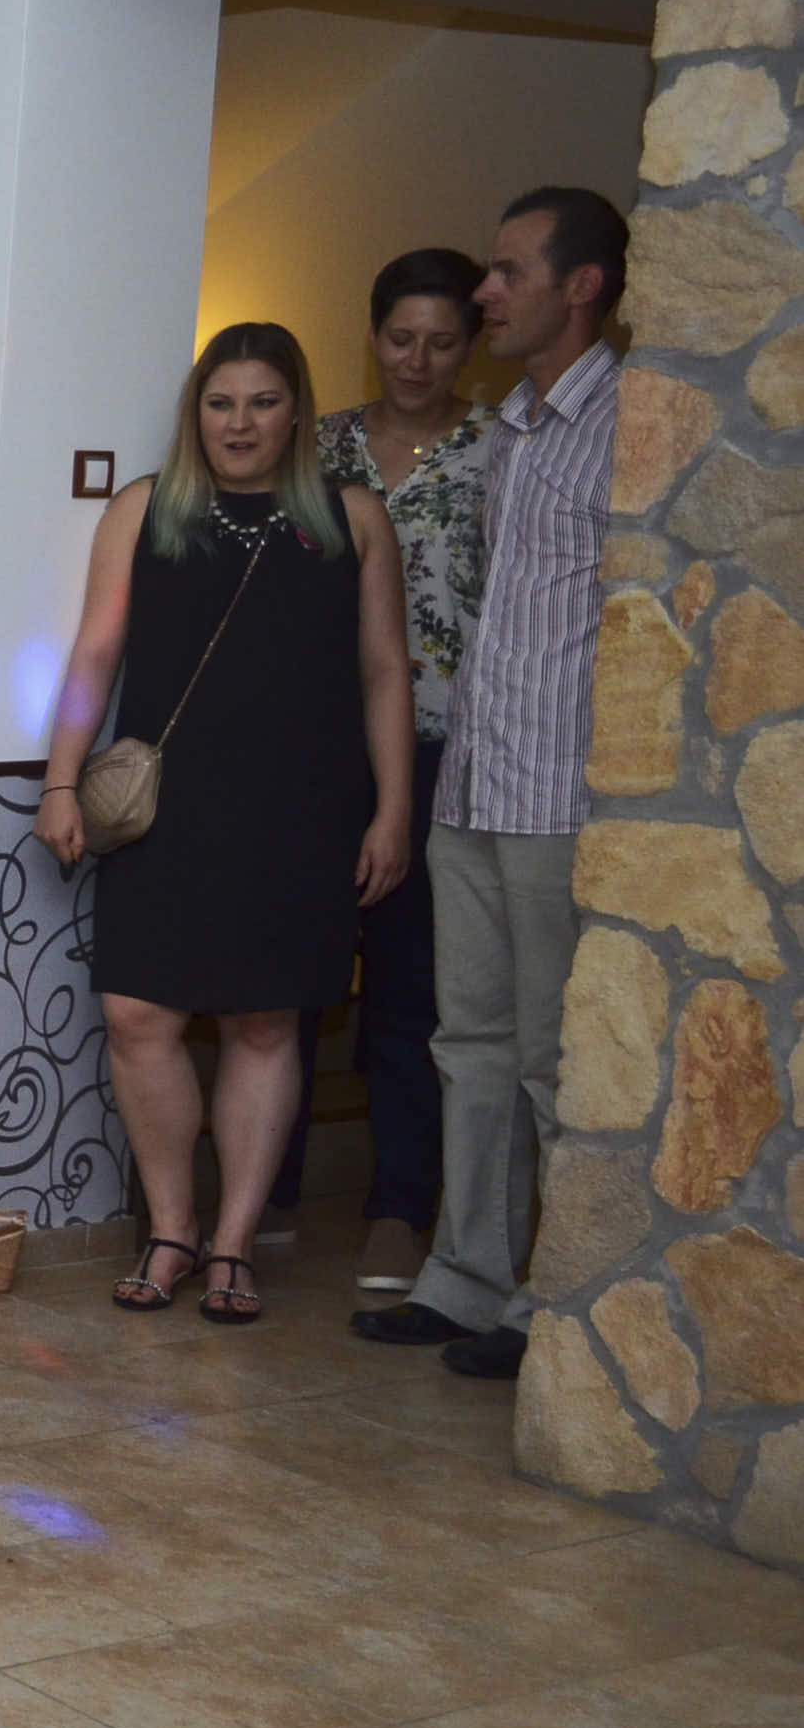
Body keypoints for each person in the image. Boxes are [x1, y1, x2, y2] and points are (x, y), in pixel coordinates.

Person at [35, 323, 413, 1324]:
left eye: (261, 402)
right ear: (193, 412)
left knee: (264, 1019)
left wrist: (392, 810)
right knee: (136, 1014)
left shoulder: (351, 517)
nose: (238, 423)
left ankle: (233, 1242)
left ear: (295, 413)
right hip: (165, 805)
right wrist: (60, 782)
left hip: (301, 807)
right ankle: (171, 1230)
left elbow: (384, 671)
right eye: (219, 403)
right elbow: (93, 655)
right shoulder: (143, 508)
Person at [353, 187, 629, 1379]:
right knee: (464, 1042)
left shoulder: (628, 418)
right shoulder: (511, 425)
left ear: (581, 287)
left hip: (560, 796)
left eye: (509, 272)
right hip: (467, 783)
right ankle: (462, 1281)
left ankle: (547, 1304)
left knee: (549, 1062)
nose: (484, 292)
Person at [276, 249, 493, 1293]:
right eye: (400, 338)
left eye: (441, 342)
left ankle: (398, 1210)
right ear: (370, 337)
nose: (416, 359)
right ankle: (265, 1193)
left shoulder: (497, 450)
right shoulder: (314, 448)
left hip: (442, 748)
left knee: (410, 992)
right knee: (283, 977)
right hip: (313, 747)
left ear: (470, 348)